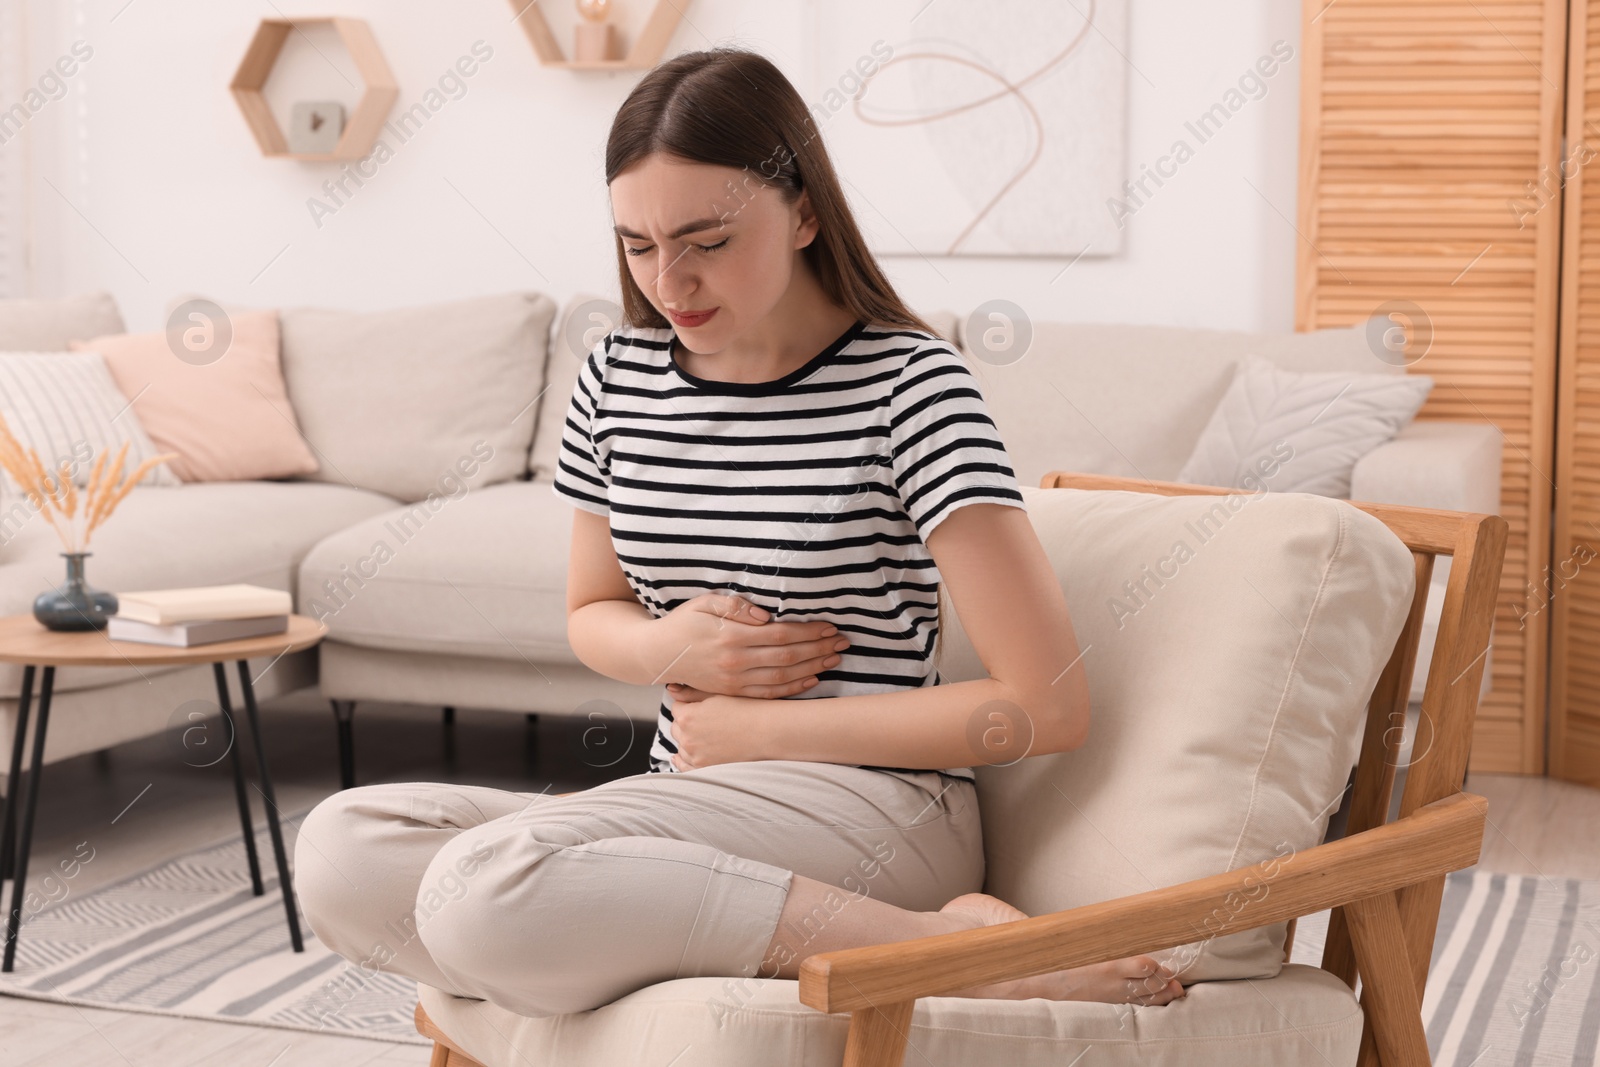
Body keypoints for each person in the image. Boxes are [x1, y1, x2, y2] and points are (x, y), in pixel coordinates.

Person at [294, 45, 1187, 1021]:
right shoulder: (616, 380)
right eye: (636, 244)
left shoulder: (911, 388)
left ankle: (955, 950)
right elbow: (592, 610)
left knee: (484, 887)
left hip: (878, 807)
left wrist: (763, 728)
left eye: (706, 239)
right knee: (346, 846)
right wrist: (667, 643)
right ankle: (875, 940)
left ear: (803, 211)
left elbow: (1043, 706)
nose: (670, 279)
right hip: (695, 793)